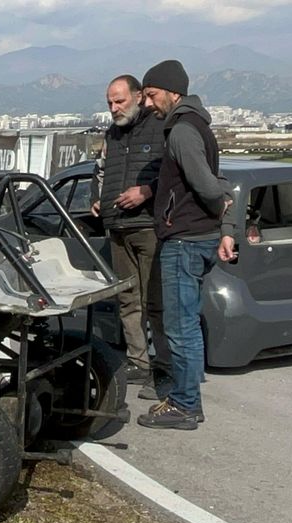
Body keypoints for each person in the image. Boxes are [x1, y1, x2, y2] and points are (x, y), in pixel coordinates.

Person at [137, 60, 238, 431]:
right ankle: (185, 398)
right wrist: (226, 227)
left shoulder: (181, 131)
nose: (148, 104)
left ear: (172, 92)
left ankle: (184, 404)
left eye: (152, 95)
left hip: (184, 241)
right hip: (198, 237)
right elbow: (219, 182)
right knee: (187, 326)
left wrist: (222, 207)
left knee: (180, 328)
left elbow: (210, 186)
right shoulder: (199, 126)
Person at [90, 74, 168, 401]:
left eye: (119, 101)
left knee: (155, 302)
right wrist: (97, 198)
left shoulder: (160, 127)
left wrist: (147, 191)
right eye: (110, 102)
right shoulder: (112, 133)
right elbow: (100, 170)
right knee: (128, 299)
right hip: (117, 226)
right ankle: (139, 361)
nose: (114, 108)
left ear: (138, 96)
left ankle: (164, 371)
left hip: (148, 226)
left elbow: (173, 174)